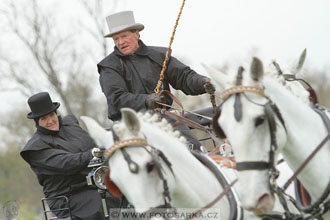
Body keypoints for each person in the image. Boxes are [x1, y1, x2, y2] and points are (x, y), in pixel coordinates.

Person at [97, 11, 216, 151]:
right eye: (116, 39)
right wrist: (146, 101)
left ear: (136, 34)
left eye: (124, 36)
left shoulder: (159, 55)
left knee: (193, 148)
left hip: (165, 119)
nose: (120, 42)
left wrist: (202, 82)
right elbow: (116, 99)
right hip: (130, 125)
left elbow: (183, 76)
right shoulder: (109, 66)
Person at [20, 92, 120, 220]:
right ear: (37, 122)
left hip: (96, 184)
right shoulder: (35, 148)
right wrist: (92, 153)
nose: (50, 121)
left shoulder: (70, 125)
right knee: (103, 203)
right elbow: (66, 163)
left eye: (51, 115)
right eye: (44, 118)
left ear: (56, 113)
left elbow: (95, 140)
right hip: (68, 196)